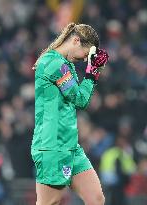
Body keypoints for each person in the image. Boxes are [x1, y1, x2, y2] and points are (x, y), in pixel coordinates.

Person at [31, 22, 109, 205]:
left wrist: (93, 72)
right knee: (50, 203)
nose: (85, 60)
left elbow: (80, 99)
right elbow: (80, 99)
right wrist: (92, 74)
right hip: (52, 146)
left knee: (96, 199)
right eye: (86, 54)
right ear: (75, 41)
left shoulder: (66, 65)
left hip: (70, 146)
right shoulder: (52, 63)